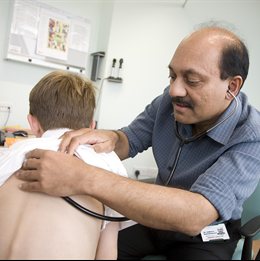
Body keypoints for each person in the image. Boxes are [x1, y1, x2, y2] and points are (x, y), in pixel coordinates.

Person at [16, 25, 260, 260]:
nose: (174, 90)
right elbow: (128, 140)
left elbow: (195, 215)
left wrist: (83, 177)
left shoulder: (251, 135)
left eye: (192, 80)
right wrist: (112, 137)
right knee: (91, 245)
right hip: (155, 219)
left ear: (232, 86)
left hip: (205, 233)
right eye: (172, 75)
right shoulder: (169, 102)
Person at [0, 70, 128, 260]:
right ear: (91, 126)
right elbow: (107, 255)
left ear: (32, 124)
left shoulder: (12, 154)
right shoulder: (107, 164)